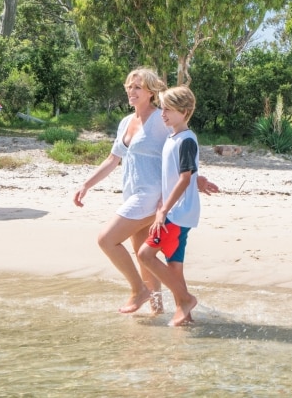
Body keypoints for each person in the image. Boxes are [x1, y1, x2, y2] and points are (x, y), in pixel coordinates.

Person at [73, 68, 217, 314]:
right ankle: (157, 311)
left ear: (151, 92)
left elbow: (180, 148)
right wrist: (86, 184)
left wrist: (195, 178)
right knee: (144, 260)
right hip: (132, 193)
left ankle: (139, 291)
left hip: (152, 196)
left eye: (137, 87)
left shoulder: (162, 119)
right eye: (129, 86)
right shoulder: (125, 122)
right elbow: (112, 159)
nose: (131, 91)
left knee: (106, 239)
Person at [137, 85, 200, 327]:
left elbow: (185, 177)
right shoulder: (173, 138)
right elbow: (183, 175)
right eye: (162, 108)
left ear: (184, 112)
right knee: (174, 266)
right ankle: (185, 315)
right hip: (177, 211)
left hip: (178, 213)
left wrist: (163, 210)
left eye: (168, 109)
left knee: (145, 254)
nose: (162, 114)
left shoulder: (186, 139)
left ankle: (185, 299)